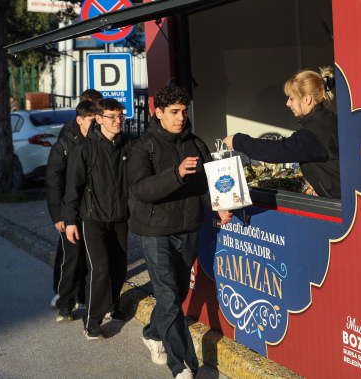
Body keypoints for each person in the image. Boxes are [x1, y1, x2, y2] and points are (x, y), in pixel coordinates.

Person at [128, 85, 233, 379]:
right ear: (158, 112)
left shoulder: (195, 144)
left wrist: (220, 206)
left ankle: (152, 333)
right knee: (169, 297)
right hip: (155, 232)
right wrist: (175, 174)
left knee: (178, 295)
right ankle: (183, 366)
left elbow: (208, 183)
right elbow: (141, 189)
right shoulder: (143, 147)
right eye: (174, 112)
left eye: (184, 111)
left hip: (187, 230)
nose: (181, 117)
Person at [62, 98, 133, 340]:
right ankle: (91, 322)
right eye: (112, 116)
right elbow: (72, 187)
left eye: (120, 116)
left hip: (120, 217)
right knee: (99, 269)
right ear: (99, 119)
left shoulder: (128, 146)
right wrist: (70, 221)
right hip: (92, 219)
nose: (118, 121)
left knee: (119, 267)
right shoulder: (86, 149)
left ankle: (113, 305)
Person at [223, 66, 341, 198]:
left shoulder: (314, 132)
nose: (287, 103)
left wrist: (238, 141)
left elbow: (277, 150)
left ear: (306, 99)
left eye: (291, 98)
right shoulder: (327, 120)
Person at [49, 88, 104, 309]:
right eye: (92, 110)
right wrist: (59, 215)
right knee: (69, 254)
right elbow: (55, 181)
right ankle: (62, 294)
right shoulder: (66, 139)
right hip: (69, 207)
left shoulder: (100, 137)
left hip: (92, 207)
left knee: (89, 255)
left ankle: (83, 295)